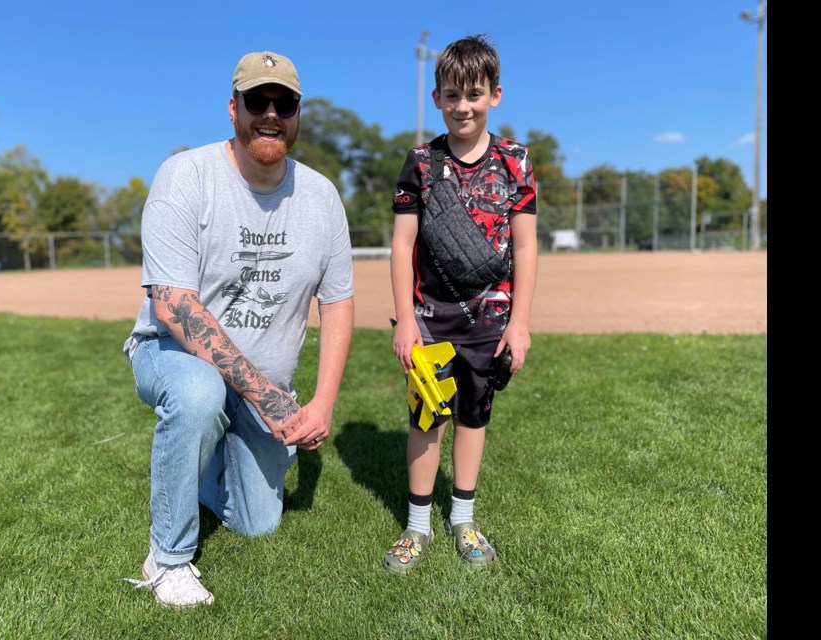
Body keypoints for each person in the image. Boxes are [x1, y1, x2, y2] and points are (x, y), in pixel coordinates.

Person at [123, 50, 354, 606]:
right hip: (171, 354)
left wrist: (321, 402)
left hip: (264, 385)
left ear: (299, 113)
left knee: (260, 524)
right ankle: (168, 559)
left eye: (285, 103)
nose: (270, 114)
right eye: (257, 101)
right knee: (201, 393)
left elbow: (338, 303)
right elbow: (174, 303)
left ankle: (205, 461)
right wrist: (265, 397)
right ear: (233, 108)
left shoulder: (321, 196)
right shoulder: (186, 176)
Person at [383, 34, 537, 574]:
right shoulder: (421, 163)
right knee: (428, 415)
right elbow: (403, 246)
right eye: (451, 95)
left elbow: (525, 245)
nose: (462, 106)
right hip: (429, 317)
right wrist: (405, 320)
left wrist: (519, 325)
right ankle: (417, 526)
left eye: (473, 94)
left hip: (490, 317)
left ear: (495, 95)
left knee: (474, 415)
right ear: (436, 99)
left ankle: (463, 519)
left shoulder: (515, 160)